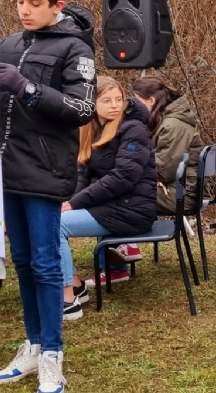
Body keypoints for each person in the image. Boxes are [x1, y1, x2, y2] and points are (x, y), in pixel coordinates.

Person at [0, 0, 96, 393]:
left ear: (56, 6)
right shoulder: (8, 45)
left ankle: (53, 353)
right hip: (2, 170)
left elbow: (82, 107)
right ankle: (31, 344)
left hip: (46, 171)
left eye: (35, 3)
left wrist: (26, 88)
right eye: (19, 1)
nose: (25, 10)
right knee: (25, 262)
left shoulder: (76, 48)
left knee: (48, 265)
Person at [57, 76, 158, 320]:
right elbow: (84, 173)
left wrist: (75, 204)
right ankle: (77, 286)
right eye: (106, 100)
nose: (114, 105)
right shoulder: (93, 128)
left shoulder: (132, 129)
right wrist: (68, 202)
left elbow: (123, 178)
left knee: (55, 226)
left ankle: (68, 299)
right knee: (55, 215)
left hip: (132, 209)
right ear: (92, 104)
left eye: (118, 99)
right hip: (111, 206)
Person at [132, 75, 204, 216]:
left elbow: (163, 171)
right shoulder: (168, 120)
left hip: (179, 194)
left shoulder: (172, 126)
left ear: (151, 101)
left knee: (118, 193)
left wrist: (135, 176)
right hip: (176, 188)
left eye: (137, 102)